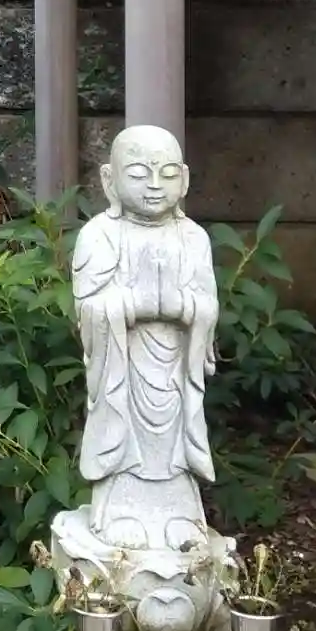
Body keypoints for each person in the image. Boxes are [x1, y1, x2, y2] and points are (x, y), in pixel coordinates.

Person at [71, 124, 219, 553]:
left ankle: (178, 513)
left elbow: (207, 305)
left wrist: (182, 306)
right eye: (138, 173)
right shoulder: (99, 234)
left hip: (175, 369)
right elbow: (88, 309)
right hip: (123, 368)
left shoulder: (193, 237)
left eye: (168, 173)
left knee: (174, 437)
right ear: (109, 180)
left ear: (184, 179)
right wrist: (133, 303)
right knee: (122, 429)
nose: (155, 185)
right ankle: (122, 510)